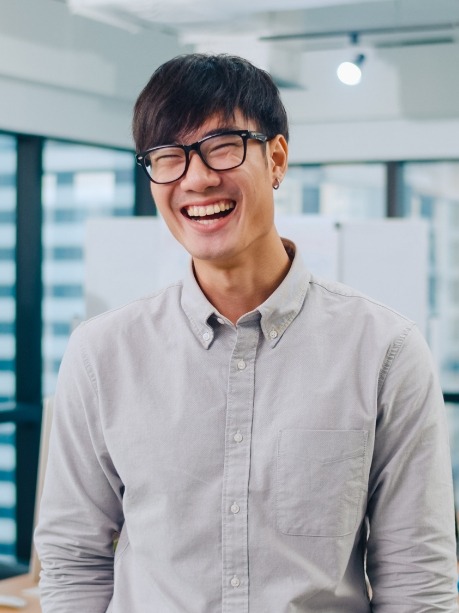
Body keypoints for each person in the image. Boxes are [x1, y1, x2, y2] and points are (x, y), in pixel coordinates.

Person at [35, 53, 458, 612]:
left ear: (277, 158)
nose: (198, 177)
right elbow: (73, 561)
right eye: (169, 157)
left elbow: (416, 581)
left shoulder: (385, 351)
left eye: (223, 146)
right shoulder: (101, 353)